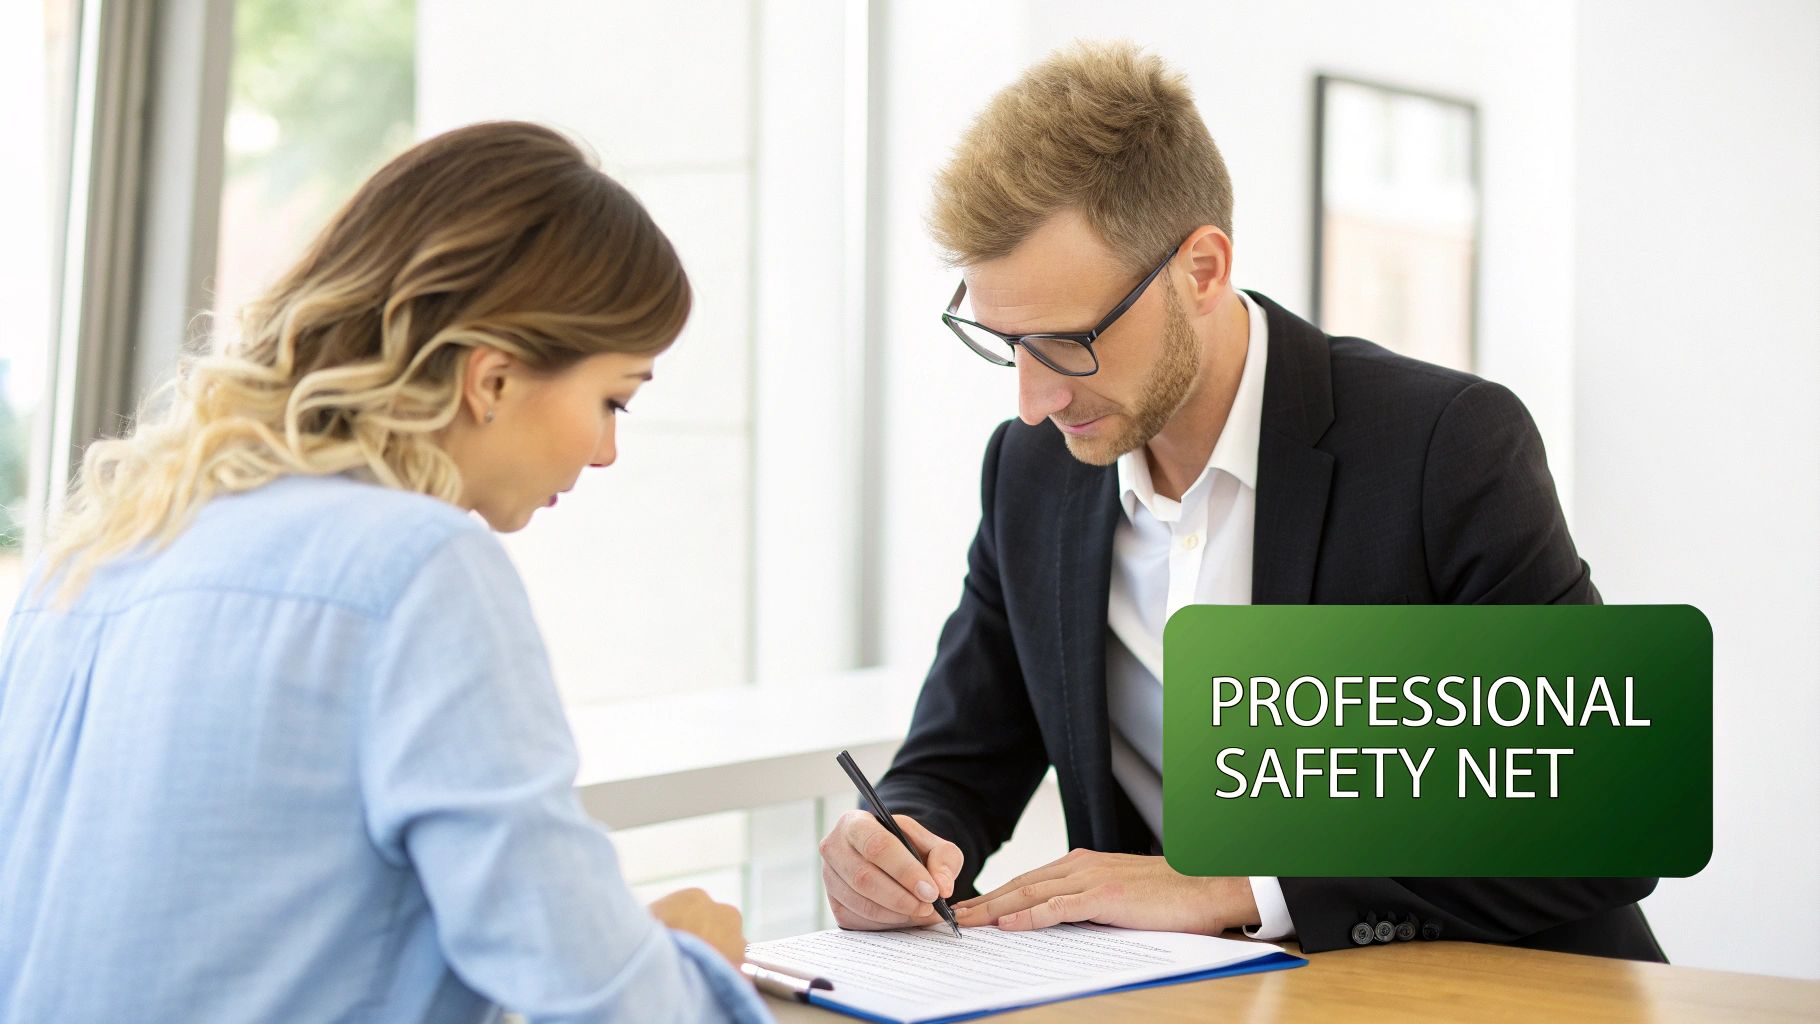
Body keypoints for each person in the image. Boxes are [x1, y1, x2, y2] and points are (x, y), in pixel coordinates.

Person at [817, 43, 1664, 961]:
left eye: (1067, 342)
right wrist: (896, 841)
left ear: (1203, 268)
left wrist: (1238, 885)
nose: (1034, 400)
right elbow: (961, 760)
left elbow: (1602, 820)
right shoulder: (1032, 473)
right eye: (1006, 342)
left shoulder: (1445, 446)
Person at [0, 122, 771, 1022]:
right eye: (612, 400)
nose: (605, 452)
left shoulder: (99, 551)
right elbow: (599, 998)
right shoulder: (418, 569)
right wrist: (689, 964)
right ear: (490, 379)